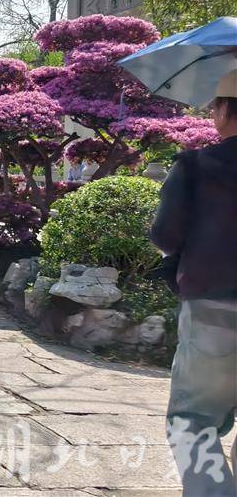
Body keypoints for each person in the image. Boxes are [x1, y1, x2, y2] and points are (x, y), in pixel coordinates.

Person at [152, 70, 237, 496]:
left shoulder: (196, 166)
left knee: (192, 422)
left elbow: (165, 235)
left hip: (214, 306)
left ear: (223, 111)